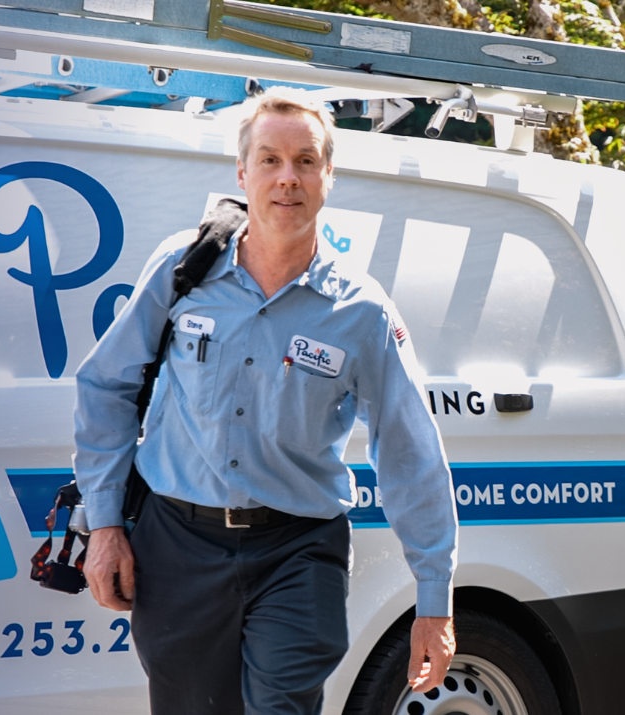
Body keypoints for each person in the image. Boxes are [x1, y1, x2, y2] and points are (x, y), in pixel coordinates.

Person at [72, 87, 458, 714]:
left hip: (298, 551)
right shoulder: (182, 269)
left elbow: (410, 451)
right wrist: (106, 526)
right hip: (178, 544)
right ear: (242, 173)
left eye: (306, 161)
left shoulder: (361, 311)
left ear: (329, 176)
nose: (288, 179)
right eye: (271, 160)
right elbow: (106, 386)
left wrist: (434, 600)